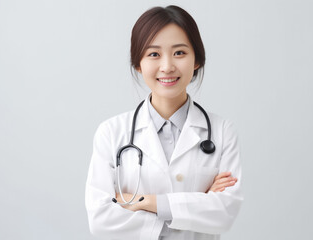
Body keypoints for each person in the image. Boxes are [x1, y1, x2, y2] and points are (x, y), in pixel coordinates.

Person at [85, 5, 243, 240]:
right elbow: (100, 219)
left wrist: (146, 202)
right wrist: (194, 208)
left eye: (179, 53)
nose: (167, 66)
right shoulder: (111, 133)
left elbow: (224, 214)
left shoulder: (221, 132)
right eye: (154, 54)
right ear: (138, 64)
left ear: (197, 60)